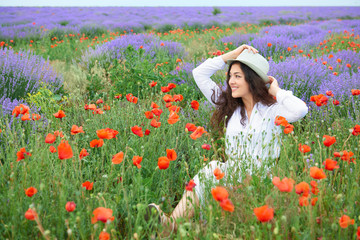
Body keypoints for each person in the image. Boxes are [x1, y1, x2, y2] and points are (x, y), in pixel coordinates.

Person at [146, 44, 308, 236]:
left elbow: (300, 110)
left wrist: (276, 92)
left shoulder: (272, 110)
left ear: (252, 80)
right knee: (210, 170)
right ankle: (171, 225)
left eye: (238, 76)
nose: (231, 81)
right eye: (230, 76)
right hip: (231, 173)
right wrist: (231, 56)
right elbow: (199, 74)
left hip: (259, 179)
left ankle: (190, 229)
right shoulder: (229, 106)